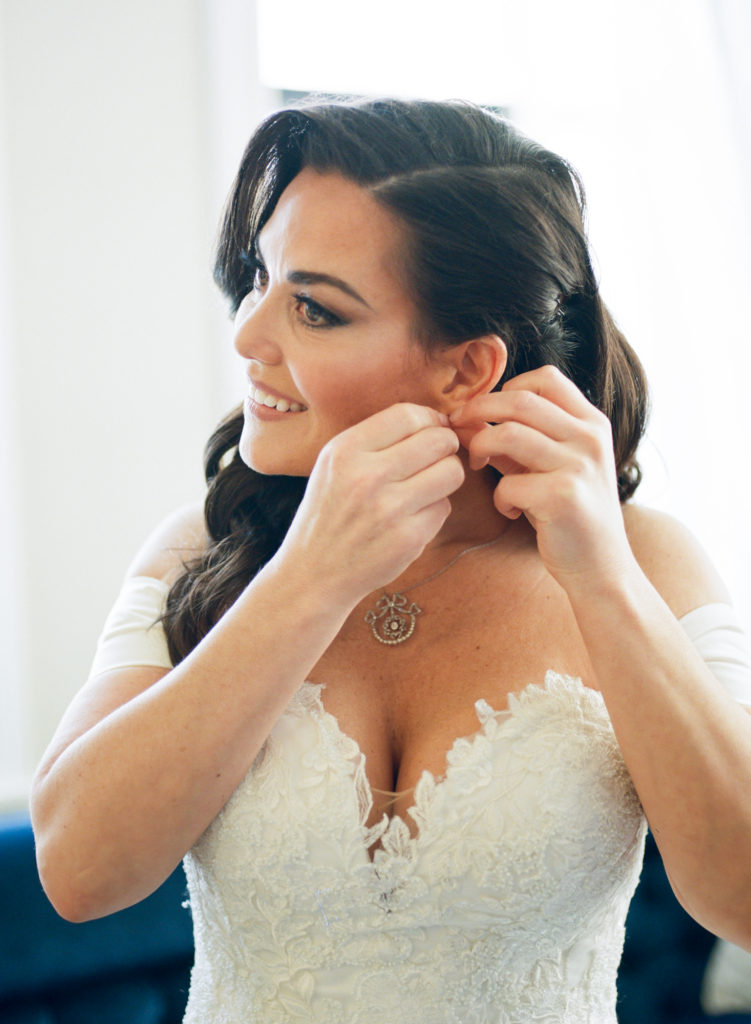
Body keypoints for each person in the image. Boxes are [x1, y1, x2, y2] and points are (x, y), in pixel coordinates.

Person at [30, 97, 751, 1023]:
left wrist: (601, 578)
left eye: (314, 310)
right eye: (258, 279)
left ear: (465, 369)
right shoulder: (203, 551)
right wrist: (309, 576)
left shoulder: (645, 561)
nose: (248, 336)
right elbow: (77, 872)